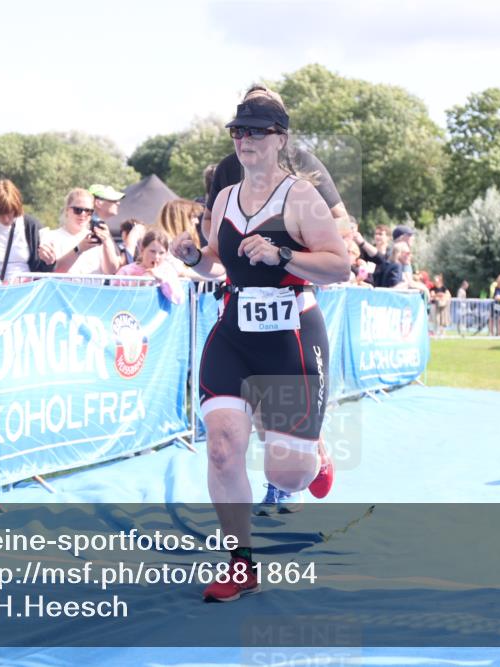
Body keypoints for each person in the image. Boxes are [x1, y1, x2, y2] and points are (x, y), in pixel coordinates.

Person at [169, 92, 347, 602]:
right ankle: (240, 563)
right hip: (235, 332)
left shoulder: (302, 198)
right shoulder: (223, 198)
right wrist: (191, 257)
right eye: (238, 132)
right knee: (223, 448)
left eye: (256, 132)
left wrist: (282, 253)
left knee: (285, 471)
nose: (244, 140)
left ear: (280, 139)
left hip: (291, 338)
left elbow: (340, 267)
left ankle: (313, 451)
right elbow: (213, 262)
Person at [202, 84, 348, 242]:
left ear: (280, 135)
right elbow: (208, 220)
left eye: (258, 129)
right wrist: (227, 249)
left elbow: (342, 221)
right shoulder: (226, 168)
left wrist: (295, 247)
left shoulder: (304, 162)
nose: (247, 136)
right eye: (240, 129)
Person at [38, 188, 120, 275]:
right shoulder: (50, 236)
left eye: (88, 211)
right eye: (78, 210)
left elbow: (111, 271)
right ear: (67, 210)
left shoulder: (98, 237)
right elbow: (55, 270)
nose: (83, 214)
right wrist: (79, 249)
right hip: (63, 288)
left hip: (94, 288)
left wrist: (106, 243)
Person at [115, 229, 184, 304]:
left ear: (166, 254)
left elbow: (179, 300)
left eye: (161, 253)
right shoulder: (126, 271)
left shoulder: (167, 270)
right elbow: (115, 298)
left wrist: (163, 281)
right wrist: (141, 282)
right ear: (142, 250)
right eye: (152, 251)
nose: (156, 257)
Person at [156, 198, 208, 277]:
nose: (197, 221)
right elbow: (181, 272)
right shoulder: (165, 242)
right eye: (193, 216)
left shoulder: (168, 240)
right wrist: (220, 277)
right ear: (180, 218)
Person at [88, 183, 125, 270]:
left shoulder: (101, 227)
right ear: (98, 203)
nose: (118, 203)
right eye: (114, 200)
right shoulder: (92, 229)